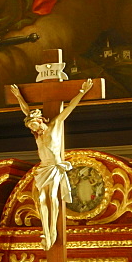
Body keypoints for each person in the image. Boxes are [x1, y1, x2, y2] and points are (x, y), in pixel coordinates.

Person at [10, 79, 93, 249]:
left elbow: (69, 108)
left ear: (42, 120)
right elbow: (26, 111)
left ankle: (53, 231)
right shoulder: (37, 135)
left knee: (52, 197)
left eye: (36, 125)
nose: (36, 130)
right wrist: (19, 96)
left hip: (54, 168)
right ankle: (46, 232)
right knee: (41, 199)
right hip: (44, 168)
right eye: (32, 128)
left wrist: (82, 92)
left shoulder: (54, 126)